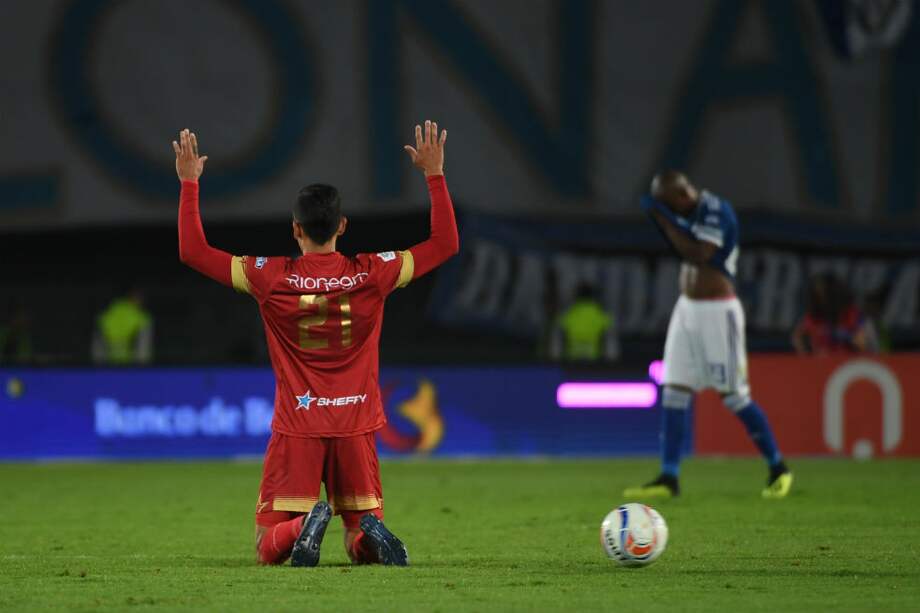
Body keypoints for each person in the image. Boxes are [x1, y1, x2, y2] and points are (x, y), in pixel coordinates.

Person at [173, 122, 458, 567]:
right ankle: (369, 535)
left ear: (295, 229)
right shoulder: (372, 272)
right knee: (355, 540)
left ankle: (301, 526)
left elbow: (193, 250)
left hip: (298, 427)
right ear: (342, 225)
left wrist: (189, 183)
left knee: (268, 546)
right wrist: (434, 174)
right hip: (357, 422)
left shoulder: (270, 277)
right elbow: (445, 243)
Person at [624, 171, 792, 500]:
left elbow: (700, 254)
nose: (663, 209)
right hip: (687, 310)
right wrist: (667, 217)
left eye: (666, 203)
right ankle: (669, 477)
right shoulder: (690, 213)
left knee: (733, 395)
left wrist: (663, 218)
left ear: (682, 196)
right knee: (674, 389)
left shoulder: (716, 210)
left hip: (718, 312)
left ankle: (778, 468)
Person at [791, 273, 878, 354]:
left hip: (848, 364)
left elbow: (867, 345)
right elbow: (797, 337)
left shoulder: (854, 315)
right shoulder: (813, 317)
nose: (822, 301)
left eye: (825, 295)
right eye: (818, 297)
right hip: (820, 365)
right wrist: (806, 354)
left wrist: (855, 339)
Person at [548, 284, 620, 361]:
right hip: (595, 363)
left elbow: (556, 344)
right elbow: (611, 346)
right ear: (593, 296)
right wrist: (610, 362)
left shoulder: (566, 316)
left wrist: (556, 360)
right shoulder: (603, 317)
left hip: (570, 364)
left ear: (576, 296)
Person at [91, 289, 154, 365]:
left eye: (140, 299)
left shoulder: (142, 317)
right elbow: (101, 324)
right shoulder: (118, 307)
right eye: (137, 298)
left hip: (126, 355)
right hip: (109, 351)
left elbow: (143, 342)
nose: (139, 301)